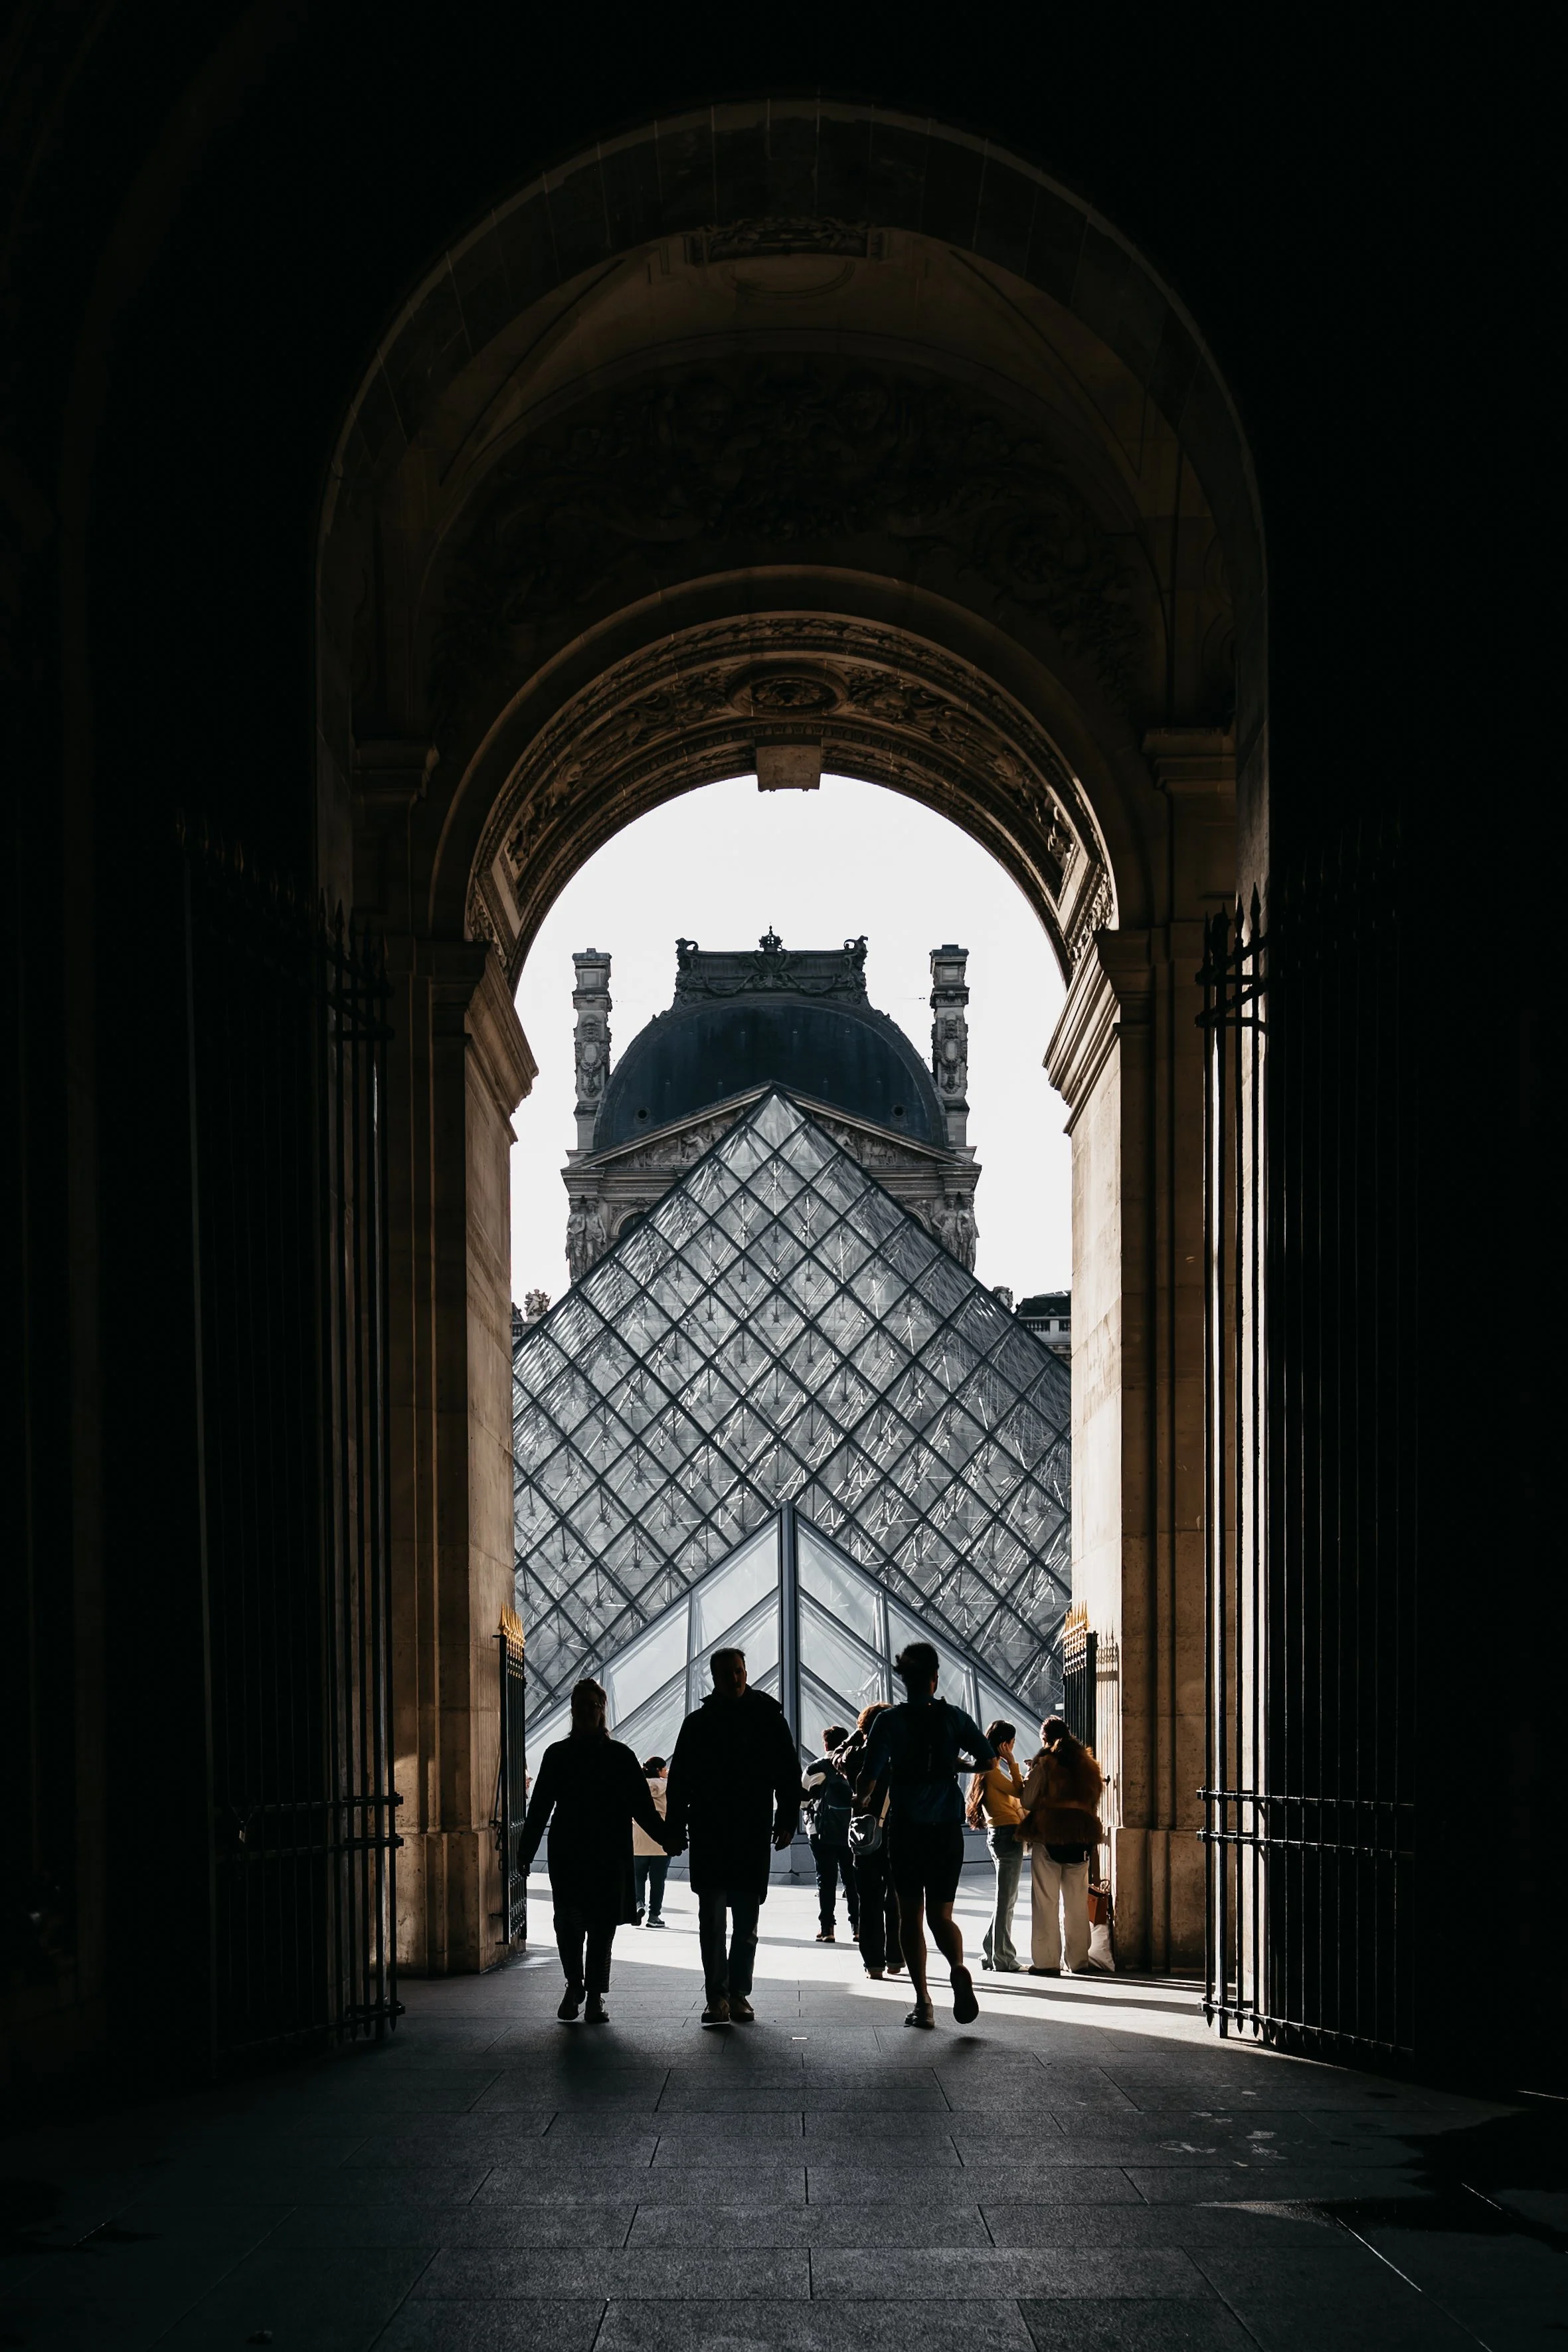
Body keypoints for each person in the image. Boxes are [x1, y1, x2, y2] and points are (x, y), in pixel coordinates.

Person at [516, 1678, 678, 2023]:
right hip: (607, 1851)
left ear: (601, 1710)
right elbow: (641, 1809)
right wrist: (666, 1838)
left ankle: (578, 1987)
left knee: (576, 1923)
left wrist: (527, 1850)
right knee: (594, 1926)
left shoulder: (558, 1754)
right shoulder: (620, 1756)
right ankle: (591, 1996)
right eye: (582, 1705)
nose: (587, 1710)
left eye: (592, 1704)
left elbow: (543, 1807)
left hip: (571, 1849)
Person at [664, 1645, 801, 2025]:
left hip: (723, 1831)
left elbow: (681, 1784)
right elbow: (787, 1773)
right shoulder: (766, 1717)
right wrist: (786, 1814)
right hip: (739, 1830)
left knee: (734, 1923)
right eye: (729, 1673)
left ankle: (728, 1996)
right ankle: (728, 1996)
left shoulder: (700, 1723)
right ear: (716, 1677)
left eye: (739, 1671)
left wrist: (788, 1817)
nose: (736, 1678)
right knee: (726, 1922)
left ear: (745, 1670)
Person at [859, 1642, 994, 2029]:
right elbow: (987, 1760)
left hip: (907, 1828)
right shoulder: (954, 1718)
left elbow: (870, 1776)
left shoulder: (889, 1721)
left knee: (909, 1915)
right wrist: (957, 1765)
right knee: (941, 1915)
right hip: (946, 1829)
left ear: (903, 1680)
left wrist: (862, 1798)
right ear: (935, 1678)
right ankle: (957, 1966)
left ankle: (923, 2003)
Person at [1019, 1714, 1106, 1976]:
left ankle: (1046, 1962)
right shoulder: (1089, 1765)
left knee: (1046, 1901)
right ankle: (1079, 1961)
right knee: (1077, 1902)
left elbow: (1029, 1801)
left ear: (1045, 1738)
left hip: (1050, 1834)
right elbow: (1095, 1799)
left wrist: (1029, 1775)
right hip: (1080, 1835)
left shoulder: (1045, 1764)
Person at [833, 1702, 901, 1979]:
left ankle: (874, 1964)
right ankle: (896, 1958)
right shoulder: (899, 1755)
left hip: (865, 1834)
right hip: (897, 1832)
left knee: (868, 1900)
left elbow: (835, 1755)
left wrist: (856, 1735)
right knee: (895, 1898)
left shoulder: (853, 1756)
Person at [967, 1718, 1026, 1972]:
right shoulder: (992, 1771)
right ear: (1005, 1745)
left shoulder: (988, 1770)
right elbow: (1020, 1792)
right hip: (1007, 1836)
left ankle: (990, 1952)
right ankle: (1004, 1958)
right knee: (1007, 1902)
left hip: (1001, 1835)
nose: (1013, 1749)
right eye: (1012, 1744)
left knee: (1006, 1899)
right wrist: (1013, 1763)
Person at [801, 1724, 859, 1943]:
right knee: (852, 1879)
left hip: (821, 1832)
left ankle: (827, 1930)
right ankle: (857, 1927)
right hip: (851, 1831)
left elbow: (803, 1800)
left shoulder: (815, 1768)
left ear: (826, 1744)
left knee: (825, 1880)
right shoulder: (855, 1766)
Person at [632, 1754, 670, 1926]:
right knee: (658, 1881)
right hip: (661, 1840)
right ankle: (654, 1916)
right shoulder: (669, 1787)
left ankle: (639, 1903)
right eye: (664, 1769)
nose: (667, 1772)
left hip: (638, 1839)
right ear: (659, 1771)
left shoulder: (637, 1786)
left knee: (638, 1877)